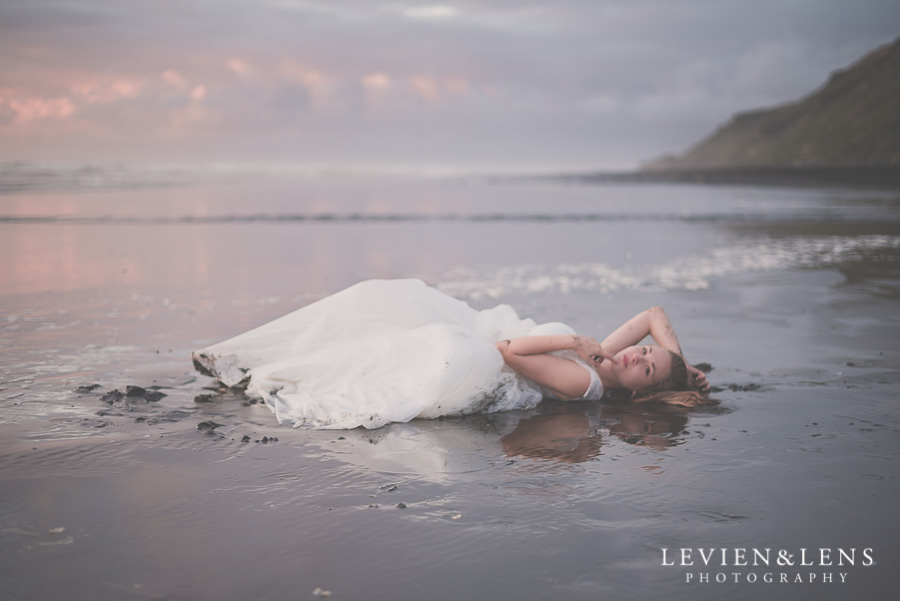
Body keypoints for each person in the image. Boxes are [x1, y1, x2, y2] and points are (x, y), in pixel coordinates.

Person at [192, 279, 709, 430]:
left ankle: (260, 373)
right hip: (488, 334)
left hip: (481, 355)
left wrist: (574, 343)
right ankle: (246, 357)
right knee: (377, 298)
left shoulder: (587, 381)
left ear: (640, 390)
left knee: (386, 339)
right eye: (644, 353)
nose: (636, 355)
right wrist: (681, 368)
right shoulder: (611, 360)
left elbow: (508, 352)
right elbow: (653, 314)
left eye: (645, 367)